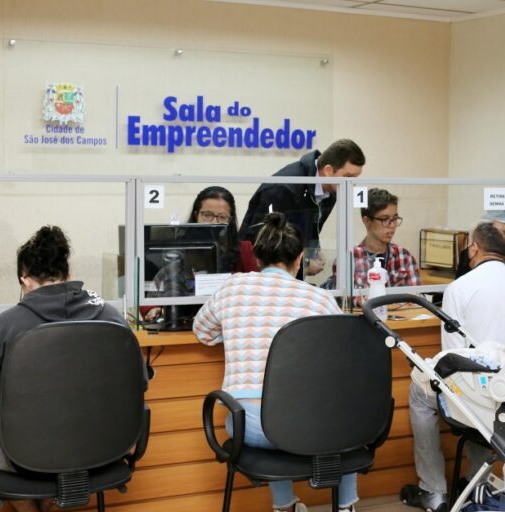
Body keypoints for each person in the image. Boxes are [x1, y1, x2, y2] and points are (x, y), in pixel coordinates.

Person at [193, 213, 359, 512]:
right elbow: (342, 357)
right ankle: (345, 506)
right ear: (299, 259)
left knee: (273, 407)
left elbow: (202, 332)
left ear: (257, 258)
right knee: (340, 412)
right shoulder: (319, 299)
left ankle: (284, 506)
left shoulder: (233, 287)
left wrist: (237, 332)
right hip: (311, 427)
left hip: (249, 427)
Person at [0, 226, 129, 512]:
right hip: (101, 451)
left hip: (26, 457)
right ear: (67, 275)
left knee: (12, 440)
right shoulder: (111, 317)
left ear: (25, 281)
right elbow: (137, 383)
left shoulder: (7, 325)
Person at [401, 220, 505, 512]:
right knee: (485, 399)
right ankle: (476, 482)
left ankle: (433, 490)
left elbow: (452, 358)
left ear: (474, 249)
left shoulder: (459, 287)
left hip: (476, 390)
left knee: (421, 392)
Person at [239, 139, 365, 276]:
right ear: (328, 170)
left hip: (291, 273)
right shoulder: (283, 189)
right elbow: (265, 243)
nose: (352, 185)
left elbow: (310, 229)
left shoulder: (331, 190)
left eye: (355, 178)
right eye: (348, 177)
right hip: (260, 276)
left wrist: (313, 252)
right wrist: (304, 264)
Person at [143, 186, 258, 322]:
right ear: (196, 215)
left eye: (222, 217)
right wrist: (151, 308)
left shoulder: (243, 250)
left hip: (229, 324)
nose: (214, 223)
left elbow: (256, 292)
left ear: (230, 220)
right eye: (207, 215)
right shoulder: (181, 245)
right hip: (182, 322)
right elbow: (157, 287)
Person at [322, 188, 421, 294]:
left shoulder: (404, 256)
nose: (392, 225)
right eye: (384, 219)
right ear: (367, 221)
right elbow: (347, 300)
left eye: (395, 219)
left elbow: (418, 297)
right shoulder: (349, 259)